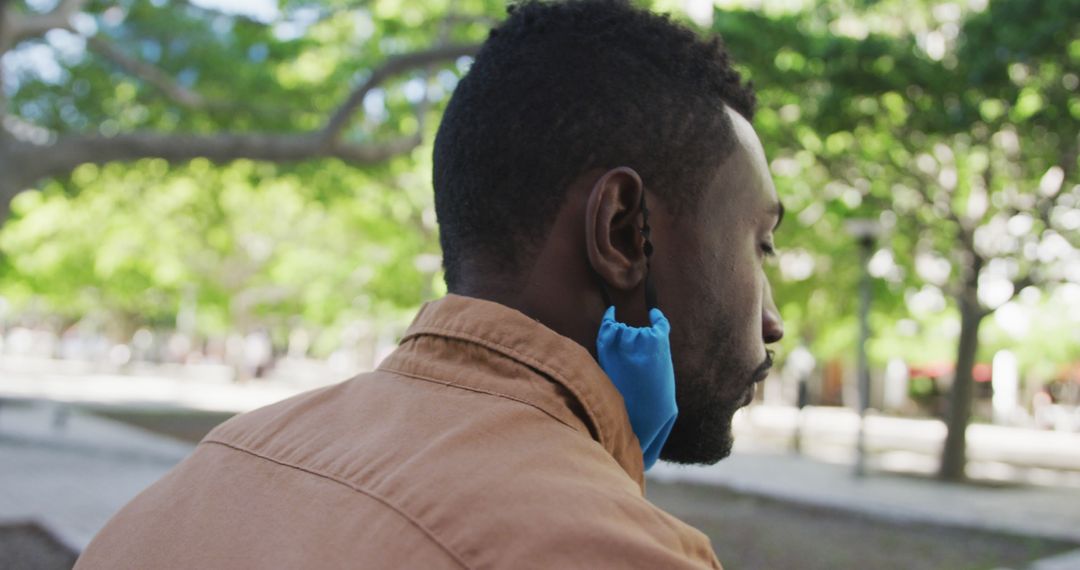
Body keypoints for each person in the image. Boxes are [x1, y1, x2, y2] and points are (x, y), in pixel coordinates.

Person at [75, 0, 784, 568]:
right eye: (761, 245)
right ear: (625, 232)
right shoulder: (618, 551)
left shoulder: (195, 485)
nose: (774, 318)